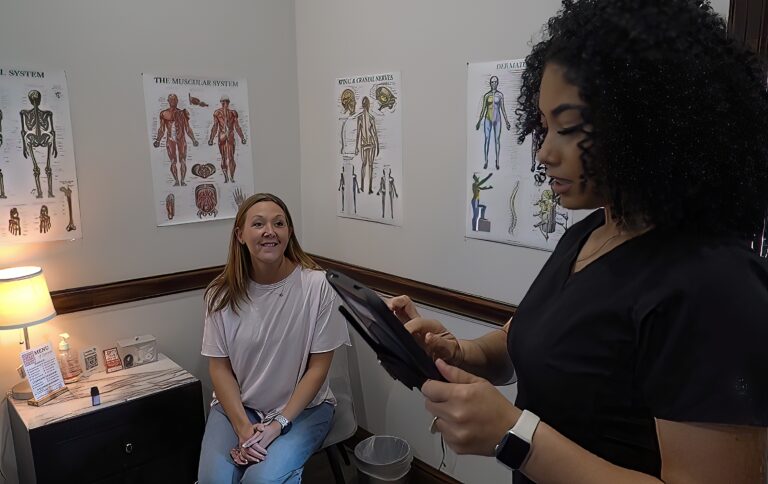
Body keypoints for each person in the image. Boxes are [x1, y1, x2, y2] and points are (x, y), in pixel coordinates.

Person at [388, 1, 768, 482]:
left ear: (646, 125)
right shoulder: (591, 232)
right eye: (544, 127)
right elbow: (528, 340)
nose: (544, 152)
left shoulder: (715, 285)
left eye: (567, 128)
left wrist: (515, 437)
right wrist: (460, 352)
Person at [198, 193, 350, 484]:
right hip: (240, 406)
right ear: (240, 235)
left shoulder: (317, 286)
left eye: (278, 223)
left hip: (304, 409)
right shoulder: (220, 295)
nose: (270, 231)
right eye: (258, 224)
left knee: (259, 480)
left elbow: (318, 369)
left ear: (289, 233)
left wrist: (278, 424)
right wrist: (244, 428)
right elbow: (219, 369)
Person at [153, 93, 198, 186]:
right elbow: (162, 129)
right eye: (171, 99)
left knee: (182, 160)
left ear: (177, 101)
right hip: (170, 140)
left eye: (175, 99)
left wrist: (193, 139)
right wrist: (158, 140)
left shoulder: (182, 113)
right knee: (173, 161)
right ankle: (176, 181)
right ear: (168, 101)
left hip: (181, 139)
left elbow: (187, 128)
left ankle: (183, 181)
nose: (173, 101)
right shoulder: (164, 113)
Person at [208, 95, 247, 184]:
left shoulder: (229, 113)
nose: (225, 104)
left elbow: (236, 126)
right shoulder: (220, 113)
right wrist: (211, 138)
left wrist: (242, 137)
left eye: (225, 102)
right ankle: (228, 177)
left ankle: (230, 177)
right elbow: (215, 126)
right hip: (226, 135)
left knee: (228, 157)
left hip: (228, 135)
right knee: (226, 157)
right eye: (224, 102)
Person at [475, 75, 512, 170]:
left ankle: (497, 161)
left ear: (497, 83)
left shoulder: (500, 95)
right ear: (490, 84)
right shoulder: (486, 95)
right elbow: (483, 109)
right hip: (488, 118)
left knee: (497, 140)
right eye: (492, 82)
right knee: (487, 139)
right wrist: (479, 121)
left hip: (497, 119)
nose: (494, 84)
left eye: (495, 82)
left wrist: (507, 121)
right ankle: (486, 160)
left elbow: (503, 109)